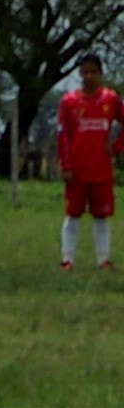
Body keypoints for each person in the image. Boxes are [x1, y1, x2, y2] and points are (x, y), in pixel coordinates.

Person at [57, 54, 122, 270]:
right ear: (79, 74)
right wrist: (66, 166)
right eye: (85, 72)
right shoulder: (69, 102)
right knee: (72, 214)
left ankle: (103, 260)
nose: (89, 76)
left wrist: (115, 147)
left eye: (93, 71)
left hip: (101, 169)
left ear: (101, 73)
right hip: (77, 169)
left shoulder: (110, 100)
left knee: (101, 216)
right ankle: (68, 259)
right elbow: (62, 135)